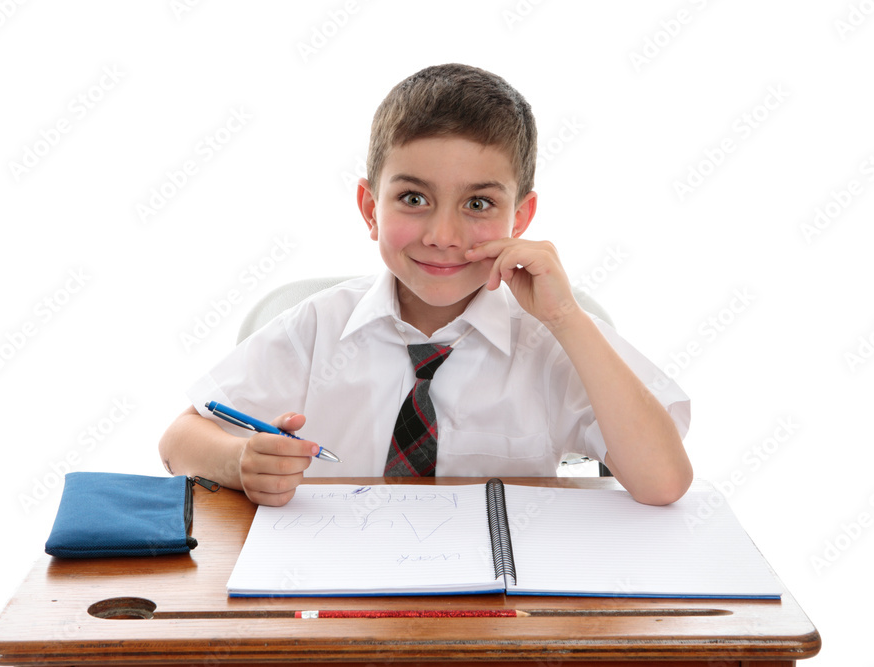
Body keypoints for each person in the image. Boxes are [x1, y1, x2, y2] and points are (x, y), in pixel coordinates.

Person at [158, 63, 693, 507]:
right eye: (414, 199)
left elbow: (663, 481)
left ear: (520, 218)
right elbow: (178, 441)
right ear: (371, 208)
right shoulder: (320, 327)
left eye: (478, 204)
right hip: (335, 599)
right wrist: (241, 461)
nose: (442, 236)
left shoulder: (550, 341)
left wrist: (566, 321)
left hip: (502, 618)